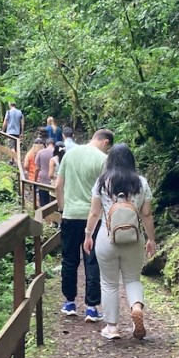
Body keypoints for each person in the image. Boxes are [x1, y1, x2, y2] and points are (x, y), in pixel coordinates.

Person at [82, 143, 156, 340]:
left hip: (107, 238)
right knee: (132, 279)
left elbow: (95, 212)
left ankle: (112, 328)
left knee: (109, 283)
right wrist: (151, 239)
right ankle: (136, 308)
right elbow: (147, 214)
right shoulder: (141, 182)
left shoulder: (102, 182)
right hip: (134, 238)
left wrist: (88, 234)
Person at [54, 128, 113, 321]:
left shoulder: (69, 155)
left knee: (69, 260)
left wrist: (63, 209)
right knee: (92, 260)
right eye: (108, 147)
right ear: (105, 142)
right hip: (93, 218)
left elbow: (58, 186)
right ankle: (91, 307)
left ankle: (69, 303)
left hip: (70, 215)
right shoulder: (102, 160)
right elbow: (106, 191)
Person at [34, 137, 55, 207]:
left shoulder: (41, 152)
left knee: (43, 201)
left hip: (43, 180)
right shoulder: (57, 153)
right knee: (53, 202)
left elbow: (37, 168)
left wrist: (35, 180)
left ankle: (44, 216)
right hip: (54, 180)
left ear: (46, 144)